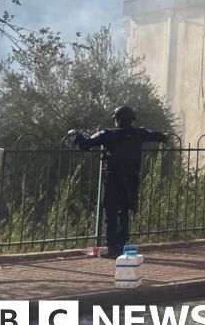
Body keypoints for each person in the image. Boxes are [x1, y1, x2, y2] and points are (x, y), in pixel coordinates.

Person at [69, 106, 167, 258]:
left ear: (118, 120)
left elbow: (85, 145)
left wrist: (75, 134)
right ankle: (121, 245)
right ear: (131, 120)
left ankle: (112, 248)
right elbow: (159, 136)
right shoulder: (139, 133)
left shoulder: (108, 134)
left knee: (111, 212)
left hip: (113, 178)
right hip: (131, 179)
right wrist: (164, 136)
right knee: (124, 211)